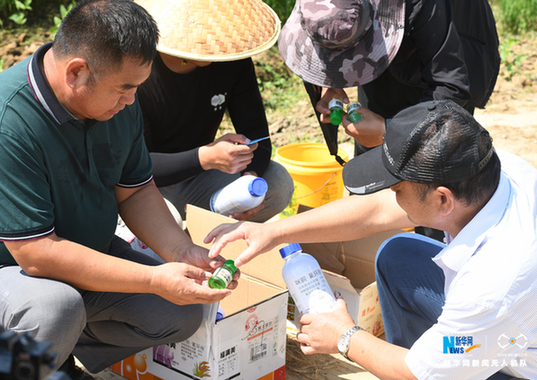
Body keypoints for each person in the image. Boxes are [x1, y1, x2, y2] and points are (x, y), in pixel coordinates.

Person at [0, 0, 237, 380]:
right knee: (55, 309)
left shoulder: (116, 102)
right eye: (124, 88)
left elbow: (134, 191)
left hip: (83, 254)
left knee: (178, 312)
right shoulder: (3, 120)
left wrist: (182, 252)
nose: (131, 99)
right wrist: (153, 278)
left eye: (136, 87)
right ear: (76, 72)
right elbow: (36, 254)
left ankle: (50, 355)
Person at [205, 100, 537, 379]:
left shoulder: (493, 283)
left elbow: (418, 371)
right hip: (508, 319)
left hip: (517, 358)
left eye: (396, 188)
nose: (389, 195)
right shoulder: (484, 165)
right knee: (400, 255)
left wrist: (344, 336)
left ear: (442, 200)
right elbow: (375, 212)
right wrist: (273, 231)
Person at [132, 0, 294, 223]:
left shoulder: (231, 61)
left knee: (277, 184)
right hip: (147, 184)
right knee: (167, 221)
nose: (213, 44)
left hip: (202, 175)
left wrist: (250, 178)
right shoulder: (139, 69)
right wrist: (204, 157)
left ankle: (201, 233)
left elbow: (256, 133)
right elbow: (135, 165)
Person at [278, 0, 500, 158]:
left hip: (449, 41)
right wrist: (330, 77)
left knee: (432, 161)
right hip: (373, 17)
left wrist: (390, 130)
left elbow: (450, 86)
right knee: (372, 156)